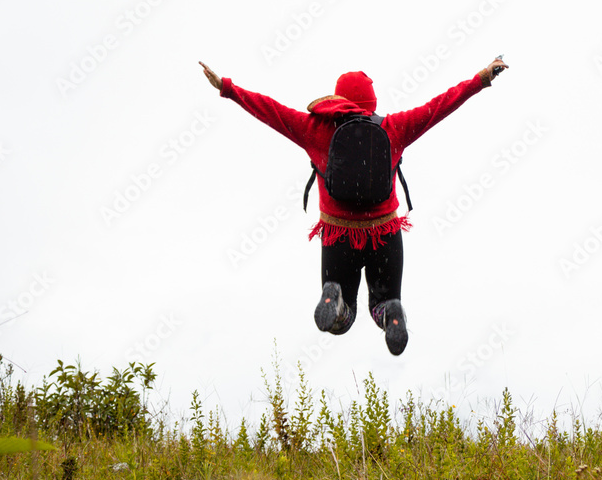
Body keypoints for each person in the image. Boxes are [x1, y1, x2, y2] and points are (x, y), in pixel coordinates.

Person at [200, 57, 507, 355]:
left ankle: (336, 299)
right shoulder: (394, 128)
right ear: (371, 101)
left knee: (341, 322)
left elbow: (271, 110)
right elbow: (439, 106)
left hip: (338, 236)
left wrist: (227, 87)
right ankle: (391, 310)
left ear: (338, 98)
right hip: (384, 233)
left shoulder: (315, 130)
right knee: (381, 304)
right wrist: (482, 78)